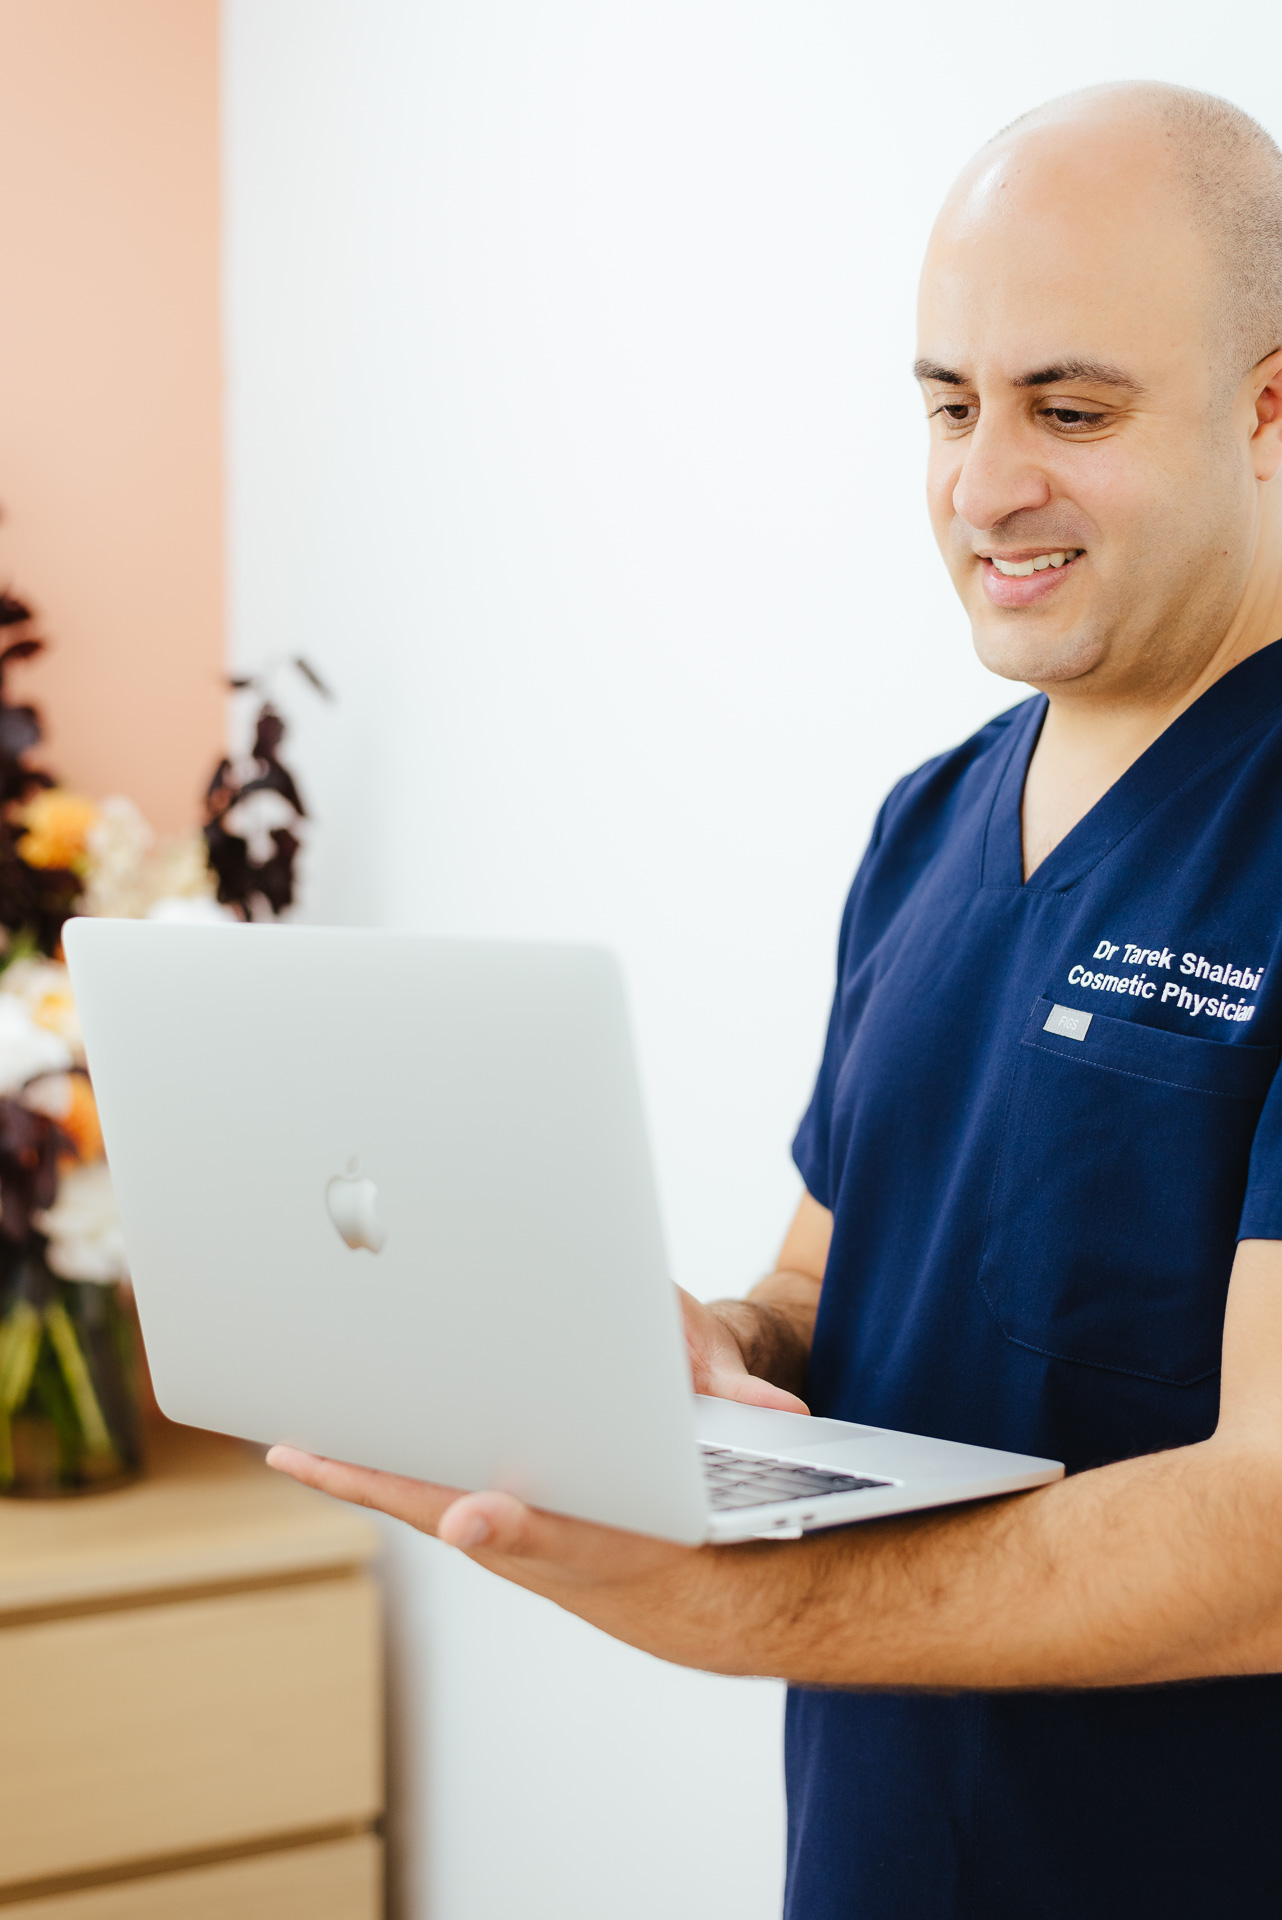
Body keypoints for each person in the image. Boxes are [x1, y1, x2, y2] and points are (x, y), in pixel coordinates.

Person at [269, 82, 1282, 1917]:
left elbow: (1269, 1529)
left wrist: (735, 1605)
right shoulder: (926, 825)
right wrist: (695, 1362)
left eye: (1069, 408)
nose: (985, 485)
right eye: (947, 405)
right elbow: (827, 1290)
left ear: (1270, 405)